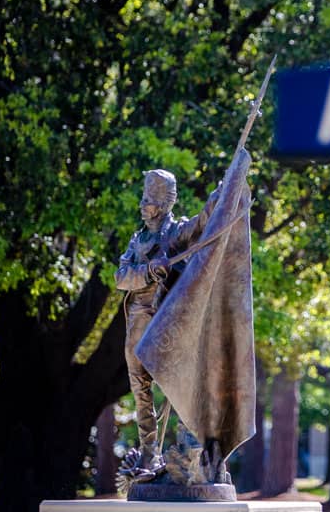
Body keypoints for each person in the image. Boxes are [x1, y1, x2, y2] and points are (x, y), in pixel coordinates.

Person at [115, 169, 220, 481]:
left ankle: (187, 448)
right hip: (136, 319)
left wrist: (218, 198)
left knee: (173, 382)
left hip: (165, 320)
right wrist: (149, 269)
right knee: (139, 388)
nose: (143, 207)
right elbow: (121, 277)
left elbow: (202, 224)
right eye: (144, 200)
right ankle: (150, 452)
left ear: (162, 205)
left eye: (148, 202)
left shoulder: (175, 233)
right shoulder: (137, 239)